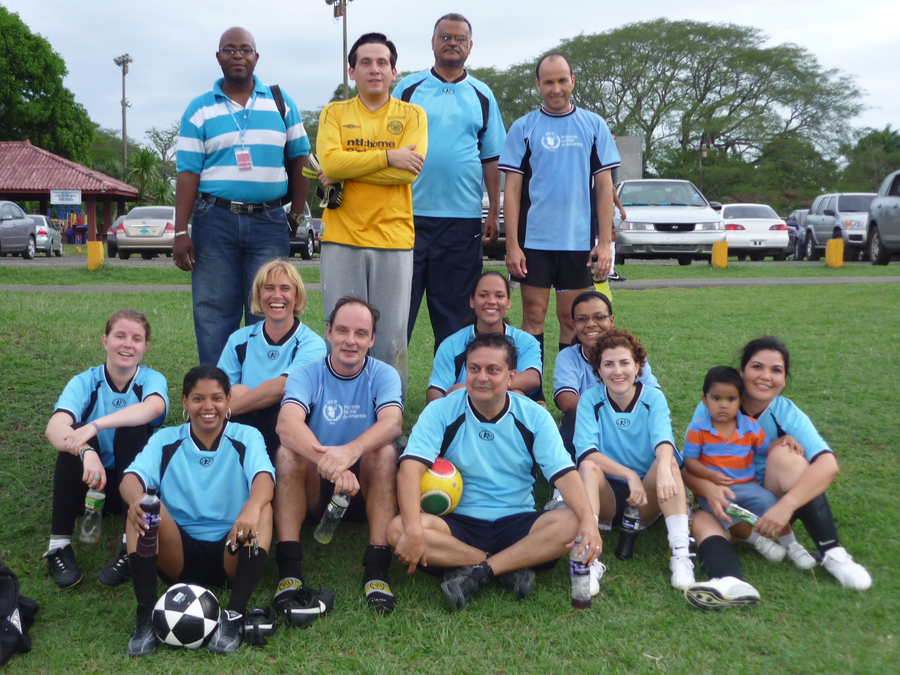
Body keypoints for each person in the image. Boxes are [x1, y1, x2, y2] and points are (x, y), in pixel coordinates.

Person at [388, 332, 602, 612]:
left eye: (493, 370)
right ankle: (505, 566)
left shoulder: (534, 416)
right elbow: (409, 469)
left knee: (573, 521)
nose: (482, 377)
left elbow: (565, 474)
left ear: (511, 376)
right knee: (398, 529)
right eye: (474, 368)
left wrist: (589, 521)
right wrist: (415, 530)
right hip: (457, 525)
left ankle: (476, 571)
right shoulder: (441, 410)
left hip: (517, 521)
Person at [683, 337, 872, 610]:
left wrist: (785, 507)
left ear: (784, 379)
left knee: (788, 456)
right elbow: (686, 467)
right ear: (742, 372)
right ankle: (729, 581)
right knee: (701, 520)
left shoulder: (786, 412)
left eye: (776, 370)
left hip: (770, 507)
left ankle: (832, 553)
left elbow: (828, 464)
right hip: (727, 506)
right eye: (757, 367)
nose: (765, 377)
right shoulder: (715, 405)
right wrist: (708, 488)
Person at [173, 26, 311, 365]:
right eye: (230, 49)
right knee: (214, 312)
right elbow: (188, 172)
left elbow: (301, 158)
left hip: (269, 221)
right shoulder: (199, 109)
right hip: (214, 221)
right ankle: (216, 394)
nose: (238, 55)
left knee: (269, 309)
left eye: (245, 49)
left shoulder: (281, 102)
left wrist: (294, 215)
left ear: (256, 57)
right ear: (218, 57)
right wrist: (180, 231)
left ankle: (261, 395)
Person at [121, 365, 275, 656]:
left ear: (229, 400)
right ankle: (146, 617)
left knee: (262, 509)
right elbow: (132, 478)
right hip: (178, 552)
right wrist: (135, 501)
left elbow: (264, 479)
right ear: (184, 402)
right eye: (198, 398)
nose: (208, 407)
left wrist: (252, 507)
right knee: (144, 506)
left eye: (217, 398)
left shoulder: (247, 436)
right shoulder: (165, 440)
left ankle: (234, 617)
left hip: (231, 549)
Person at [316, 32, 428, 402]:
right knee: (342, 331)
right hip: (341, 237)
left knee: (391, 338)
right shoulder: (335, 112)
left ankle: (388, 419)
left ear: (394, 72)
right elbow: (329, 162)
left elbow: (408, 171)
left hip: (393, 239)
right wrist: (386, 156)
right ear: (352, 71)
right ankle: (340, 412)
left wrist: (350, 167)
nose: (374, 69)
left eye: (382, 63)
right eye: (366, 62)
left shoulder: (412, 114)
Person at [274, 297, 403, 617]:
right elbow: (286, 424)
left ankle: (376, 570)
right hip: (318, 492)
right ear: (328, 332)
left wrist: (350, 452)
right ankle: (289, 571)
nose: (350, 340)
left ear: (372, 339)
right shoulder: (306, 373)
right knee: (287, 453)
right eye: (342, 330)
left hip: (366, 489)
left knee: (385, 451)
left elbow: (393, 424)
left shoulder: (384, 374)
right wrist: (330, 465)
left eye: (361, 333)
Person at [498, 52, 620, 390]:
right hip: (533, 243)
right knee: (533, 318)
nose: (556, 89)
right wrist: (512, 245)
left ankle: (571, 393)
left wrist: (604, 241)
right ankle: (531, 394)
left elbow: (604, 185)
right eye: (548, 82)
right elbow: (511, 190)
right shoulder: (524, 127)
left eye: (562, 81)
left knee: (572, 320)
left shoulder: (593, 125)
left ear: (572, 82)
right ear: (538, 85)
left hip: (578, 242)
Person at [391, 13, 506, 350]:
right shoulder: (407, 88)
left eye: (460, 39)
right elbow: (385, 147)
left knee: (456, 316)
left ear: (470, 47)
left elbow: (492, 158)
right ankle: (386, 392)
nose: (453, 43)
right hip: (405, 217)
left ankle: (455, 391)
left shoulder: (481, 94)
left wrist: (493, 211)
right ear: (433, 42)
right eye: (446, 37)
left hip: (461, 222)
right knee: (397, 312)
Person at [42, 309, 168, 590]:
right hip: (89, 483)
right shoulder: (85, 381)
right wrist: (87, 450)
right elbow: (54, 428)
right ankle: (58, 546)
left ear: (146, 347)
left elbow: (153, 408)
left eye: (137, 338)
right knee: (72, 437)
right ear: (104, 340)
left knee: (132, 429)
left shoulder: (151, 379)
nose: (127, 344)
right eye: (119, 336)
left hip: (131, 484)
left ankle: (130, 545)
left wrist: (95, 425)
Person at [573, 328, 695, 591]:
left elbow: (663, 439)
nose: (617, 371)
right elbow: (586, 450)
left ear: (638, 367)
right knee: (587, 466)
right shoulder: (589, 400)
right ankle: (589, 559)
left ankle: (681, 554)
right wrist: (628, 475)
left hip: (647, 498)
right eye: (608, 364)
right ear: (598, 369)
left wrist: (662, 466)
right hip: (608, 497)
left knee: (669, 463)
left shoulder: (652, 397)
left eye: (624, 363)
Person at [683, 366, 816, 567]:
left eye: (731, 400)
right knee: (726, 514)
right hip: (715, 491)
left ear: (740, 401)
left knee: (770, 503)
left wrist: (784, 439)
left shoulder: (750, 426)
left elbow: (765, 448)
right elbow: (689, 462)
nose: (723, 405)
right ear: (705, 400)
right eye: (716, 398)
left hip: (748, 485)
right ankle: (759, 542)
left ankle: (792, 545)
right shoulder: (698, 429)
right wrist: (710, 476)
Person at [217, 260, 326, 461]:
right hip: (245, 422)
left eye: (285, 288)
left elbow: (284, 387)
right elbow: (219, 392)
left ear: (297, 296)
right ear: (259, 296)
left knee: (281, 408)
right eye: (269, 288)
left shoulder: (313, 343)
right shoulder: (239, 339)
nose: (277, 296)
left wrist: (225, 411)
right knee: (236, 392)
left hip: (286, 425)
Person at [553, 291, 658, 460]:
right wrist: (611, 410)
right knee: (573, 417)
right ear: (573, 325)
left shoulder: (631, 353)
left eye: (599, 317)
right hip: (588, 424)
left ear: (611, 321)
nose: (591, 324)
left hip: (629, 421)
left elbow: (654, 397)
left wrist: (618, 413)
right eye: (582, 319)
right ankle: (567, 474)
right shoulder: (568, 356)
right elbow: (566, 401)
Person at [426, 271, 541, 404]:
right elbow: (436, 391)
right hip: (464, 412)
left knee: (516, 394)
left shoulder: (526, 342)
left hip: (507, 413)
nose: (491, 301)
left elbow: (532, 378)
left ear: (508, 302)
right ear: (472, 301)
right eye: (483, 295)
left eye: (499, 296)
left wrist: (474, 387)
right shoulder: (451, 344)